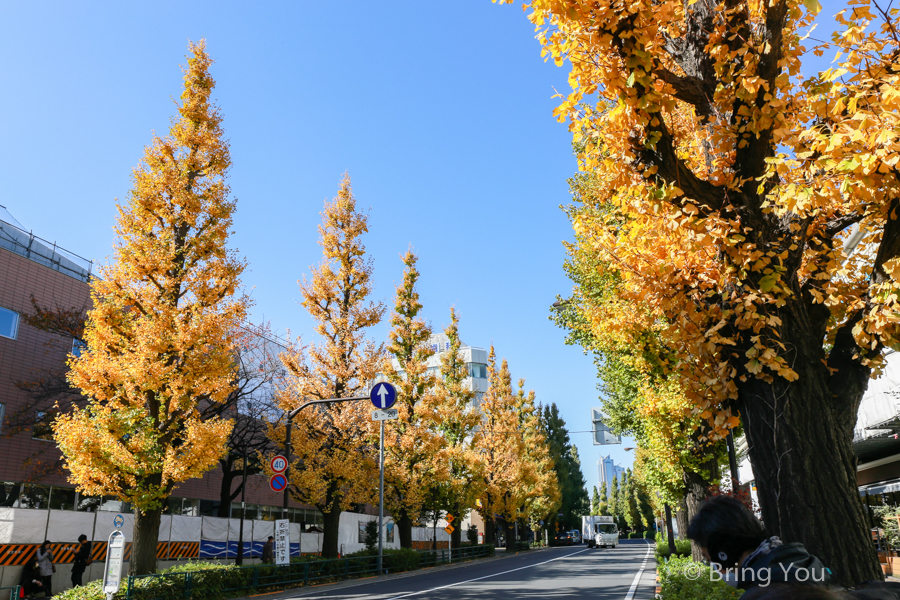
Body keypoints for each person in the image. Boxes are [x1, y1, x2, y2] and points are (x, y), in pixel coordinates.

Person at [686, 495, 834, 589]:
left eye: (709, 559)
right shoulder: (805, 567)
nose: (715, 569)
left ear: (724, 553)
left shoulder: (765, 592)